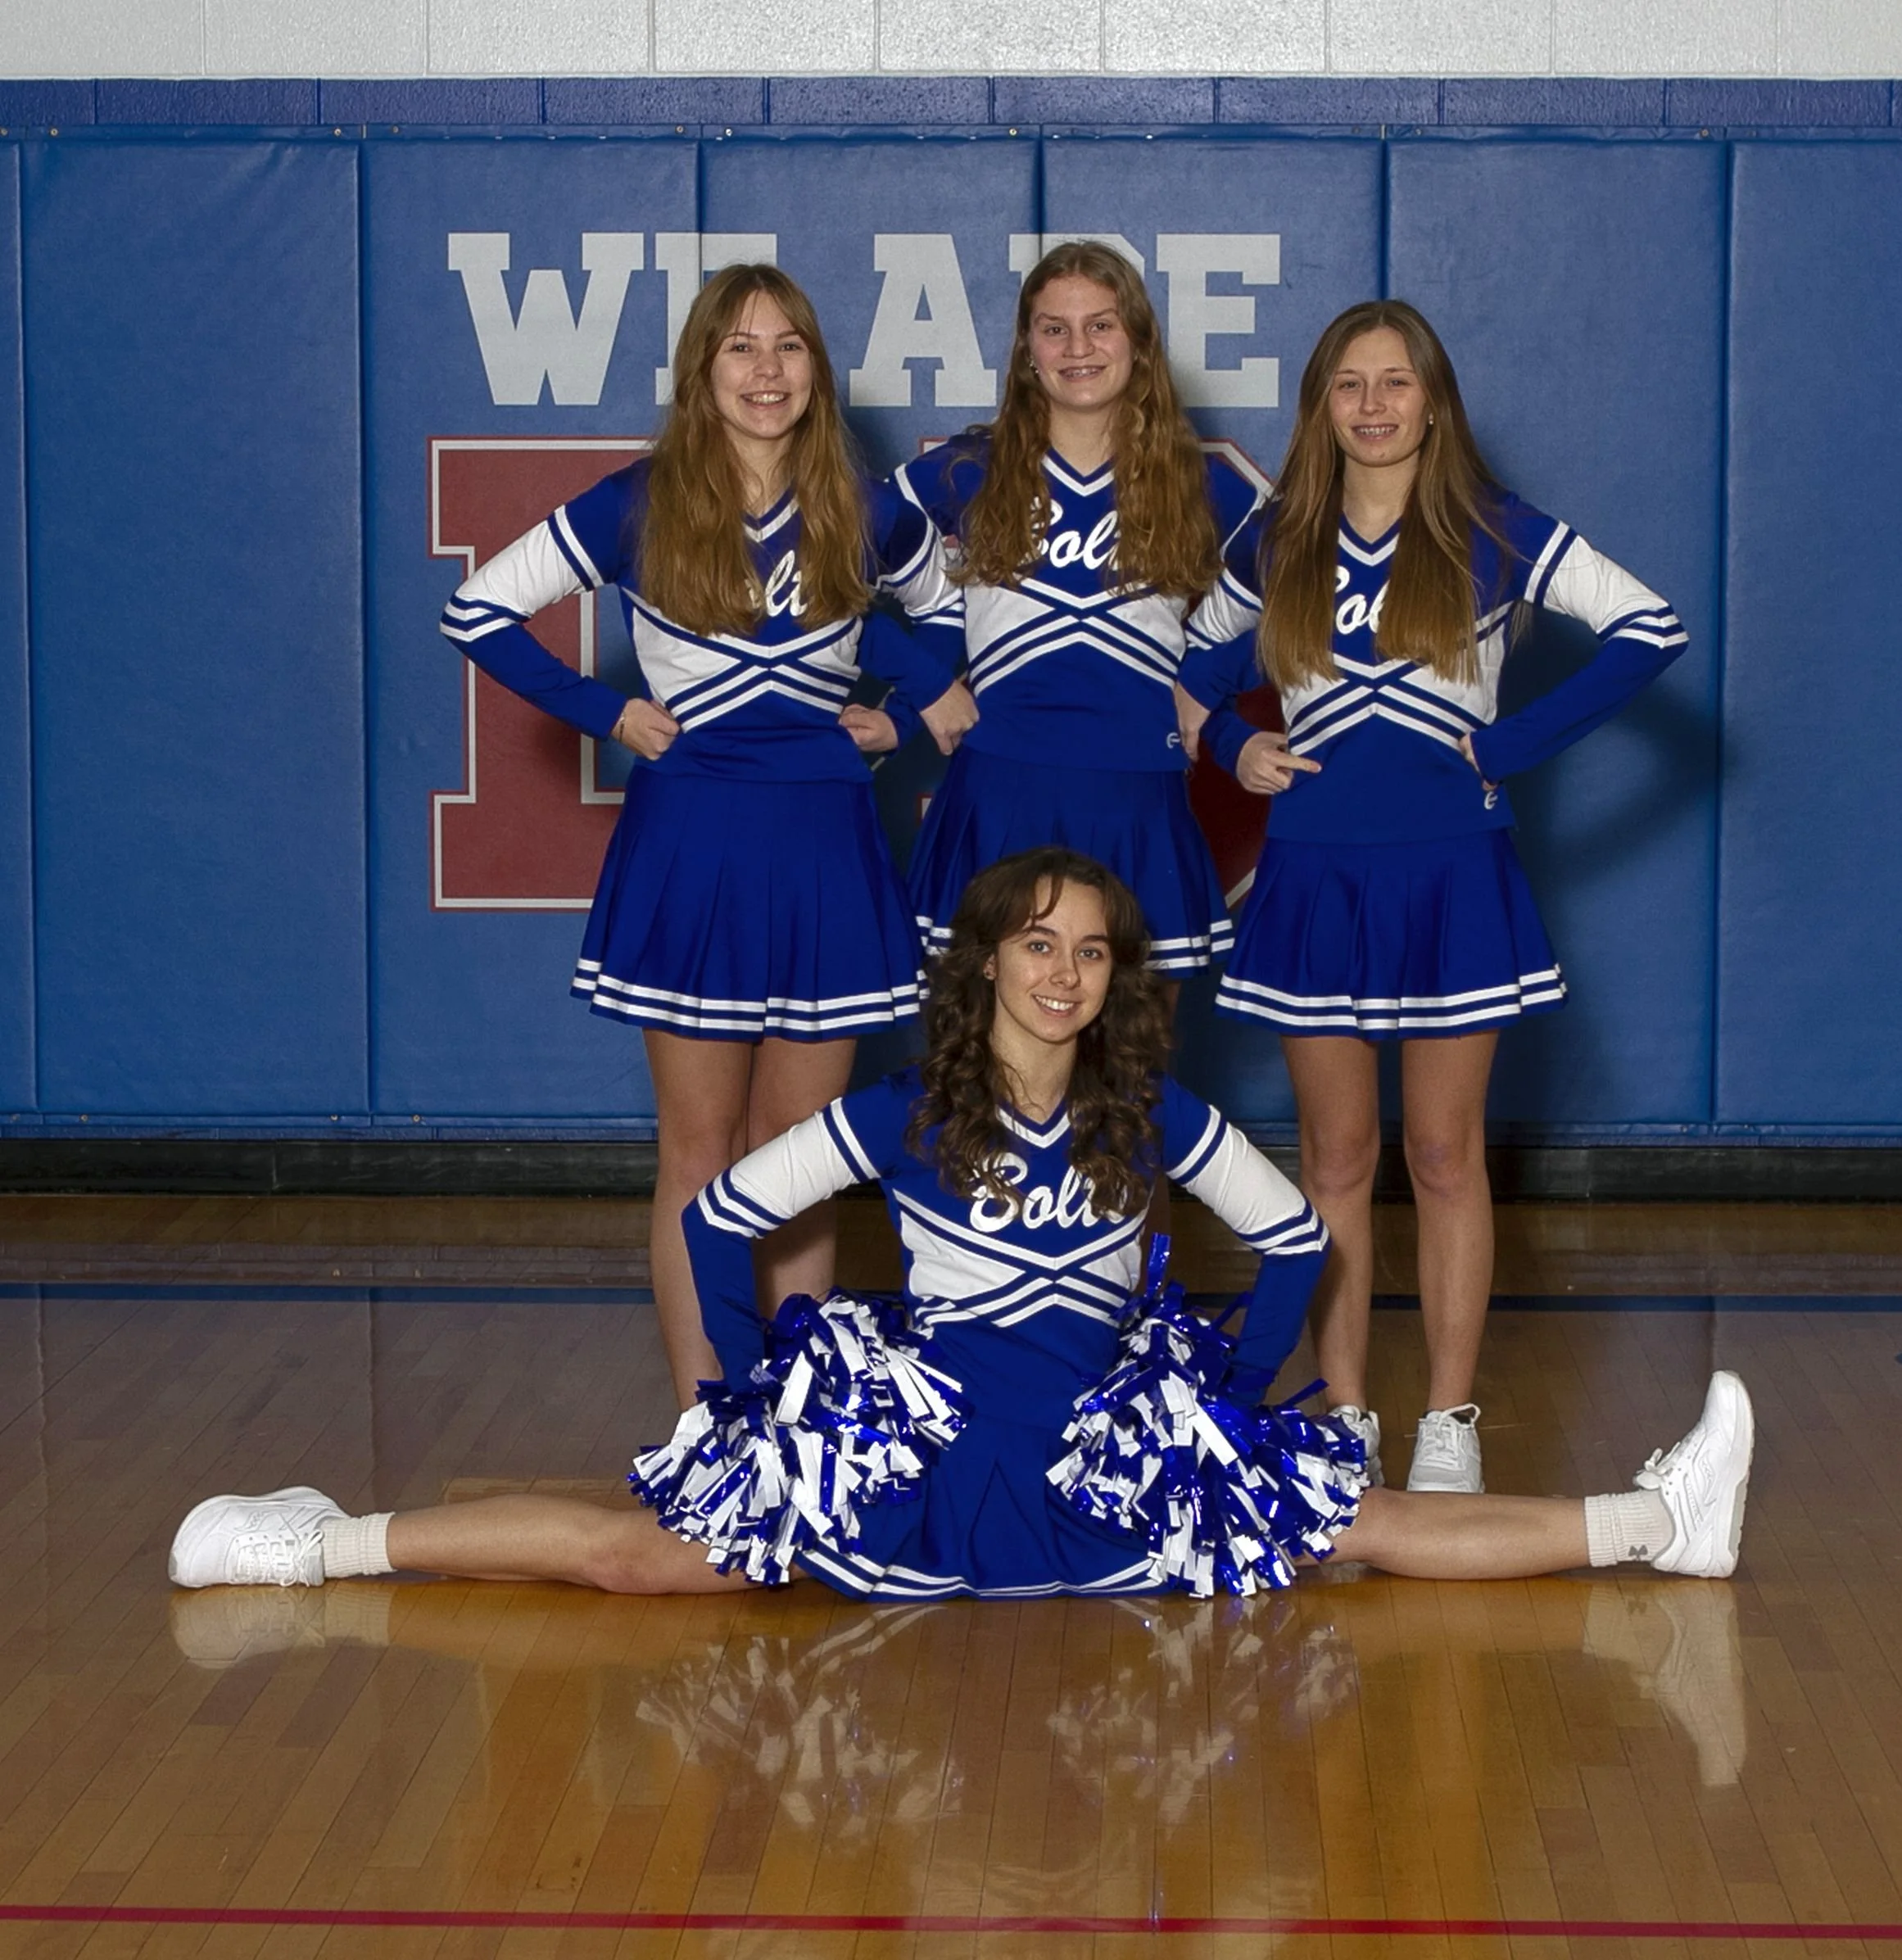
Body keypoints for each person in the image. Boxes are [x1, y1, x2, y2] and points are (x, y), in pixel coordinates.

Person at [168, 853, 1750, 1603]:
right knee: (633, 1554)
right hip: (919, 1459)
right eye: (1033, 943)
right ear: (984, 961)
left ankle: (1665, 1523)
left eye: (1091, 951)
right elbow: (720, 1217)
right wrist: (748, 1385)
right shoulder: (895, 1117)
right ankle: (315, 1541)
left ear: (1115, 977)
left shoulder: (1160, 1118)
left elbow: (1295, 1245)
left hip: (1098, 1459)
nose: (1062, 971)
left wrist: (1225, 1394)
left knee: (1366, 1525)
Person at [437, 264, 977, 1404]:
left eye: (787, 346)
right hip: (693, 843)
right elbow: (476, 606)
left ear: (815, 372)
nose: (766, 369)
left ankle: (794, 1410)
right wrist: (608, 709)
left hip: (826, 843)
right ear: (701, 372)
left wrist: (897, 717)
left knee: (802, 1157)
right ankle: (701, 1411)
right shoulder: (642, 498)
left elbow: (958, 625)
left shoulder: (862, 503)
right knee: (698, 1148)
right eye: (739, 347)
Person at [1176, 299, 1689, 1495]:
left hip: (1452, 873)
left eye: (1394, 382)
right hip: (1312, 877)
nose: (1370, 406)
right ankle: (1344, 1415)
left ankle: (1447, 1420)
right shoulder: (1278, 542)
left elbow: (1646, 626)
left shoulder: (1489, 531)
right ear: (1320, 408)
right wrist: (1226, 749)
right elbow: (1189, 670)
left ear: (1432, 400)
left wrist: (1509, 748)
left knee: (1446, 1153)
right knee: (1335, 1156)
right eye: (1346, 385)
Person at [894, 242, 1256, 981]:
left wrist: (1206, 686)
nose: (1078, 347)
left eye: (1101, 325)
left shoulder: (1197, 483)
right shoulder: (969, 469)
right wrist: (918, 685)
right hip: (998, 792)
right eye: (1053, 328)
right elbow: (823, 547)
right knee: (984, 1069)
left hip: (1136, 797)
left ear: (1139, 344)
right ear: (1026, 348)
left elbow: (1316, 592)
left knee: (1130, 1076)